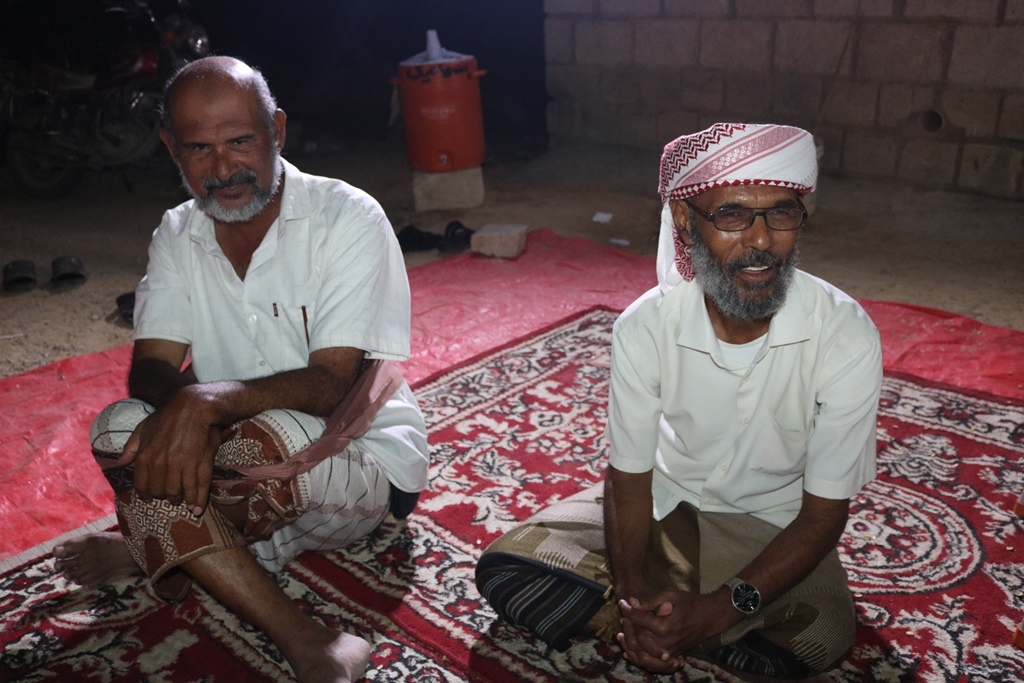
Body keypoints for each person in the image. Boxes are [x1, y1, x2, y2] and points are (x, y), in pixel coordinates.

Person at [54, 56, 429, 683]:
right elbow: (151, 367)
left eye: (240, 141)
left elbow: (332, 385)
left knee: (269, 436)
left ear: (276, 130)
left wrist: (203, 406)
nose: (223, 169)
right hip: (236, 461)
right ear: (170, 148)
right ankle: (303, 630)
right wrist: (190, 414)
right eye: (199, 149)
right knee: (121, 429)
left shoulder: (347, 216)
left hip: (357, 455)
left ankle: (169, 551)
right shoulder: (177, 232)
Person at [476, 123, 882, 681]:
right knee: (506, 567)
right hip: (662, 508)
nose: (762, 241)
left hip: (772, 530)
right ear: (686, 222)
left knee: (821, 641)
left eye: (781, 214)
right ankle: (668, 627)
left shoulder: (845, 334)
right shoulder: (646, 325)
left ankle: (688, 623)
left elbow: (823, 515)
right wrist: (632, 597)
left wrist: (723, 606)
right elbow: (627, 481)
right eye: (733, 215)